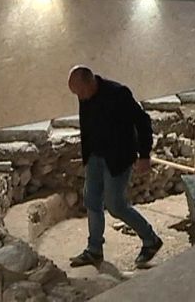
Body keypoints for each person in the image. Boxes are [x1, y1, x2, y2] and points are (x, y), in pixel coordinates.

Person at [67, 65, 163, 268]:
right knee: (92, 201)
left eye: (81, 92)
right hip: (95, 156)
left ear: (91, 81)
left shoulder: (118, 93)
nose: (80, 98)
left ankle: (150, 239)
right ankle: (94, 250)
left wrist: (144, 155)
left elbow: (142, 121)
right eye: (76, 94)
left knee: (116, 206)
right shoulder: (85, 95)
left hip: (118, 157)